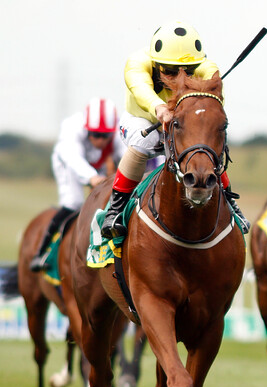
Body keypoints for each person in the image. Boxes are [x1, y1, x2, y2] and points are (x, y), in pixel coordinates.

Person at [100, 21, 249, 239]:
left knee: (203, 145)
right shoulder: (137, 63)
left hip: (180, 123)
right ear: (156, 63)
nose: (178, 79)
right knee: (146, 140)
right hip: (141, 120)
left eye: (187, 72)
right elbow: (140, 88)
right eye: (169, 72)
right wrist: (159, 108)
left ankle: (229, 200)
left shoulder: (206, 67)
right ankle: (116, 207)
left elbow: (215, 99)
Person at [30, 98, 125, 271]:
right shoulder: (72, 128)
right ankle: (41, 252)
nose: (101, 140)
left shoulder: (119, 130)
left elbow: (126, 156)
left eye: (105, 136)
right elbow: (73, 158)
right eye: (96, 135)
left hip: (98, 163)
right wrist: (92, 177)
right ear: (87, 129)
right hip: (68, 163)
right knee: (73, 203)